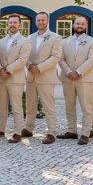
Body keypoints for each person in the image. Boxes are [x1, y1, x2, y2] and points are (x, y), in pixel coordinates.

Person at [22, 12, 62, 144]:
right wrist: (29, 66)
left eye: (43, 20)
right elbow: (25, 55)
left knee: (48, 106)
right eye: (38, 20)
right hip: (31, 76)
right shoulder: (29, 38)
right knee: (30, 105)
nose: (40, 22)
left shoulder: (56, 37)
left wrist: (39, 67)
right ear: (35, 21)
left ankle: (52, 132)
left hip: (46, 76)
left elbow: (56, 56)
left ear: (47, 21)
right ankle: (28, 128)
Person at [0, 14, 31, 143]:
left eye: (15, 22)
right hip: (1, 78)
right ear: (7, 24)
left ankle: (18, 132)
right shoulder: (1, 41)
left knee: (17, 107)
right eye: (10, 22)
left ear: (19, 25)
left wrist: (8, 70)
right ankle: (0, 129)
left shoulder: (25, 41)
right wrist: (0, 70)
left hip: (15, 78)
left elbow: (23, 59)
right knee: (1, 106)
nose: (12, 24)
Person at [58, 16, 93, 145]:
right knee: (69, 106)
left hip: (84, 78)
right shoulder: (64, 41)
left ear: (85, 26)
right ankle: (72, 130)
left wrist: (78, 72)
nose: (79, 25)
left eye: (82, 23)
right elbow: (60, 58)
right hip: (67, 77)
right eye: (77, 23)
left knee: (86, 107)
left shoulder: (92, 41)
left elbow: (92, 60)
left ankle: (85, 133)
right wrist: (69, 72)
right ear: (73, 25)